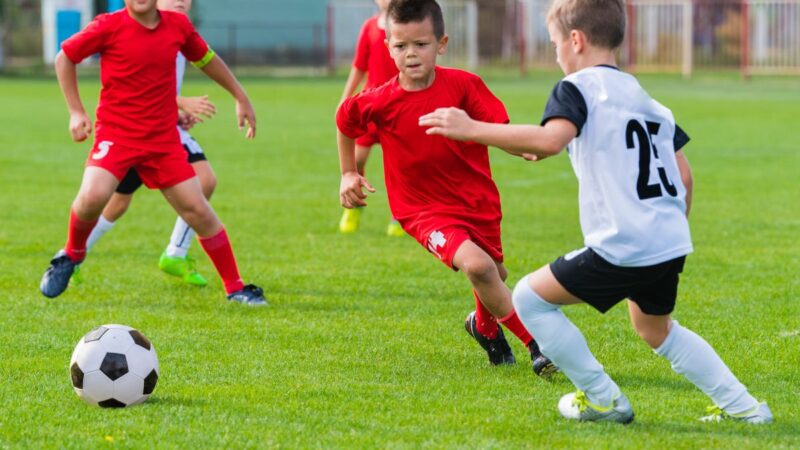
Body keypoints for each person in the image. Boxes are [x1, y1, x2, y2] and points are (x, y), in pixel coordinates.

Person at [419, 0, 771, 424]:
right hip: (669, 239)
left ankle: (604, 400)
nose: (556, 55)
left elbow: (551, 139)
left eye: (554, 45)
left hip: (624, 242)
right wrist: (668, 230)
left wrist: (471, 128)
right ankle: (747, 409)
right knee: (656, 330)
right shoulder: (644, 97)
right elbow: (684, 175)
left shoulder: (576, 87)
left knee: (529, 299)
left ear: (576, 40)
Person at [337, 0, 555, 377]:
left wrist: (522, 148)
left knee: (495, 274)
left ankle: (484, 327)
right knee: (478, 266)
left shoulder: (464, 86)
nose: (410, 54)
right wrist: (348, 173)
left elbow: (496, 129)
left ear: (441, 43)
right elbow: (344, 120)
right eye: (401, 45)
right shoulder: (380, 101)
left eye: (421, 44)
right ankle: (538, 345)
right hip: (421, 211)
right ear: (388, 46)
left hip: (477, 201)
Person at [40, 0, 267, 305]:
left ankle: (235, 288)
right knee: (93, 196)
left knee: (199, 210)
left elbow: (207, 60)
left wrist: (240, 96)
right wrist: (76, 112)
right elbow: (65, 57)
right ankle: (71, 254)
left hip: (162, 143)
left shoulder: (178, 27)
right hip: (117, 136)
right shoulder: (108, 26)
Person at [80, 0, 217, 288]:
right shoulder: (140, 29)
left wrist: (177, 113)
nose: (180, 1)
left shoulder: (179, 31)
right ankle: (71, 257)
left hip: (163, 129)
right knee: (117, 203)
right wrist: (181, 102)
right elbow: (137, 86)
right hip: (134, 132)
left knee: (204, 180)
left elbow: (160, 86)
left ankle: (176, 253)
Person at [337, 0, 404, 237]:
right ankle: (354, 206)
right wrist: (345, 98)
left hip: (397, 107)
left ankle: (400, 215)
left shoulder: (404, 27)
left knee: (399, 166)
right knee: (356, 159)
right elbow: (359, 66)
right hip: (370, 106)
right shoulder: (369, 27)